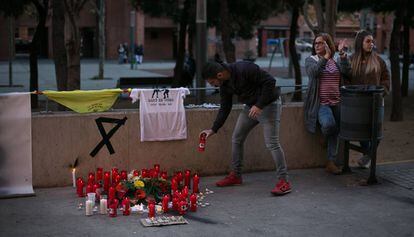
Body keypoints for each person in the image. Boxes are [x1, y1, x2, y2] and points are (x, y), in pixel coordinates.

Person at [200, 60, 291, 196]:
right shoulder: (225, 85)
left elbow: (270, 82)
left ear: (219, 75)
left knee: (272, 143)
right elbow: (225, 108)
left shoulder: (244, 68)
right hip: (250, 107)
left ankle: (284, 182)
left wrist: (259, 105)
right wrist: (213, 129)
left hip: (269, 105)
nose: (212, 85)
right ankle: (236, 175)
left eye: (212, 82)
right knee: (237, 138)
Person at [338, 30, 390, 168]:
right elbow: (346, 77)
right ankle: (368, 155)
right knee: (361, 132)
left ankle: (367, 156)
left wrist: (381, 92)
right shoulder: (352, 59)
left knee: (377, 132)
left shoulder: (379, 60)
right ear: (360, 42)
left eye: (372, 41)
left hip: (376, 102)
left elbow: (386, 79)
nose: (371, 44)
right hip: (358, 105)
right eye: (368, 41)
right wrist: (351, 96)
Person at [304, 33, 344, 175]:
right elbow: (313, 73)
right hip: (321, 102)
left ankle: (330, 162)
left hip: (337, 102)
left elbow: (347, 73)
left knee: (337, 131)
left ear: (328, 44)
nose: (317, 45)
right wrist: (325, 57)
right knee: (328, 125)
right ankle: (325, 136)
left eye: (320, 43)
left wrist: (343, 56)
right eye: (315, 43)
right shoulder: (311, 60)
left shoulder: (335, 61)